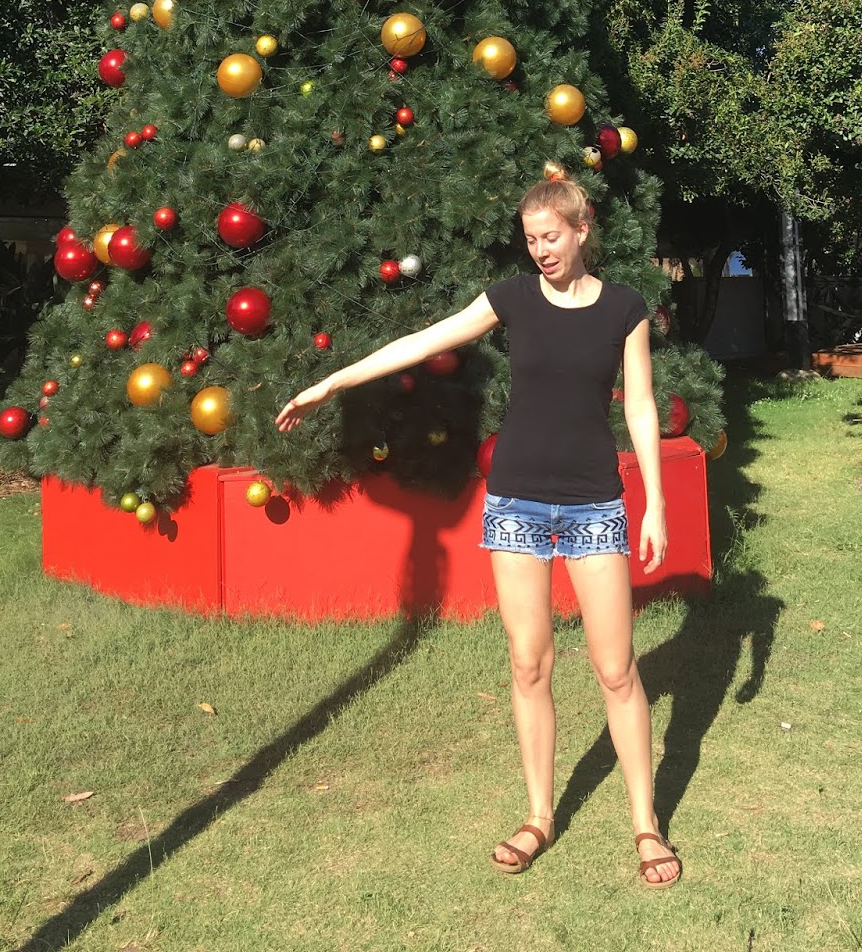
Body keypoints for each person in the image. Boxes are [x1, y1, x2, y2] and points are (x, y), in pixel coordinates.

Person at [275, 170, 681, 887]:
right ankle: (537, 817)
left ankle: (646, 826)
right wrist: (332, 382)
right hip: (517, 503)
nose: (541, 252)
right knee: (529, 664)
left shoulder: (623, 308)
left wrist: (653, 501)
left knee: (616, 671)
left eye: (551, 238)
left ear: (582, 231)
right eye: (530, 241)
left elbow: (641, 406)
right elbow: (425, 337)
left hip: (594, 505)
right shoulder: (512, 299)